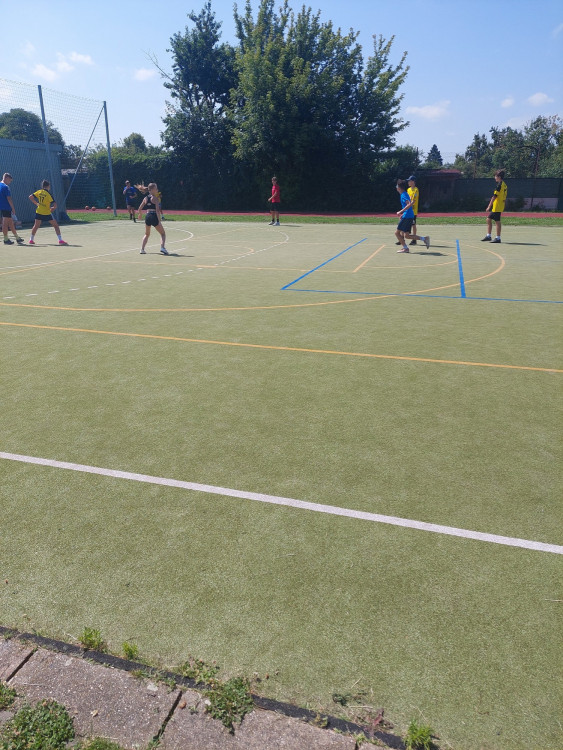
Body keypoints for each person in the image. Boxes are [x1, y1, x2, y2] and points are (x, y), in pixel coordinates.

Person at [28, 180, 68, 245]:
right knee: (56, 226)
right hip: (46, 213)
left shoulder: (39, 191)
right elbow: (55, 205)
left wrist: (36, 203)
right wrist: (52, 209)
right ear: (48, 186)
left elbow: (30, 197)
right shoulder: (48, 194)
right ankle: (60, 240)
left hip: (39, 211)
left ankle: (31, 240)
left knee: (36, 226)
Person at [395, 179, 430, 253]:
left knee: (397, 233)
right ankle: (424, 239)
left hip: (407, 216)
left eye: (396, 186)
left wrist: (401, 212)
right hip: (408, 215)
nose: (396, 187)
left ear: (399, 187)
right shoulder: (405, 193)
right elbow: (409, 204)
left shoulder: (403, 195)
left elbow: (409, 204)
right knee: (407, 236)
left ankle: (405, 248)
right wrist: (403, 214)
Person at [137, 182, 168, 255]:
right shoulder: (155, 199)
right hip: (154, 216)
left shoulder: (145, 198)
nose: (157, 190)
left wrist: (140, 214)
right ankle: (162, 247)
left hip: (147, 216)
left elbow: (139, 209)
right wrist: (159, 221)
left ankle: (142, 249)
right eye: (156, 188)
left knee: (147, 234)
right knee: (163, 233)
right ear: (152, 190)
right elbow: (157, 210)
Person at [482, 169, 507, 243]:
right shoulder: (504, 184)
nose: (495, 177)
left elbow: (494, 196)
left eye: (495, 176)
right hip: (499, 205)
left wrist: (489, 206)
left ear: (499, 177)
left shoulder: (499, 185)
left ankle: (498, 238)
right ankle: (488, 236)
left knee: (497, 221)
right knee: (488, 219)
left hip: (497, 206)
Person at [0, 173, 25, 245]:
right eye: (9, 181)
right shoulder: (6, 187)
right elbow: (9, 198)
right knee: (5, 224)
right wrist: (13, 208)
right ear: (6, 178)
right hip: (6, 208)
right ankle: (6, 239)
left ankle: (17, 238)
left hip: (2, 208)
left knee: (11, 223)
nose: (9, 182)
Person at [407, 175, 420, 246]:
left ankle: (414, 239)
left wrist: (409, 206)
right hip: (408, 210)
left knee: (413, 224)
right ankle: (401, 238)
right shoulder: (408, 190)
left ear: (413, 182)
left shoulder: (416, 190)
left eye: (410, 181)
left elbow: (413, 200)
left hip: (413, 211)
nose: (408, 182)